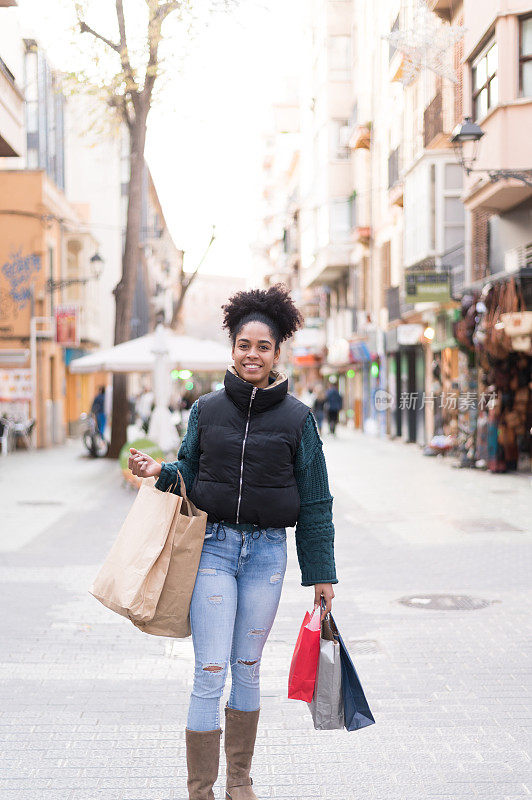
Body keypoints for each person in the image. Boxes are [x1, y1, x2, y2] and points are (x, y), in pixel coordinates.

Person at [128, 284, 338, 800]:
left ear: (276, 353)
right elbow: (192, 474)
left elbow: (315, 501)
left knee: (246, 667)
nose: (252, 354)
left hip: (267, 554)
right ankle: (201, 789)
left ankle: (239, 783)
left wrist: (322, 574)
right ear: (233, 348)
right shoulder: (206, 410)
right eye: (244, 344)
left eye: (262, 346)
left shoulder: (298, 419)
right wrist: (162, 471)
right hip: (215, 550)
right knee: (211, 667)